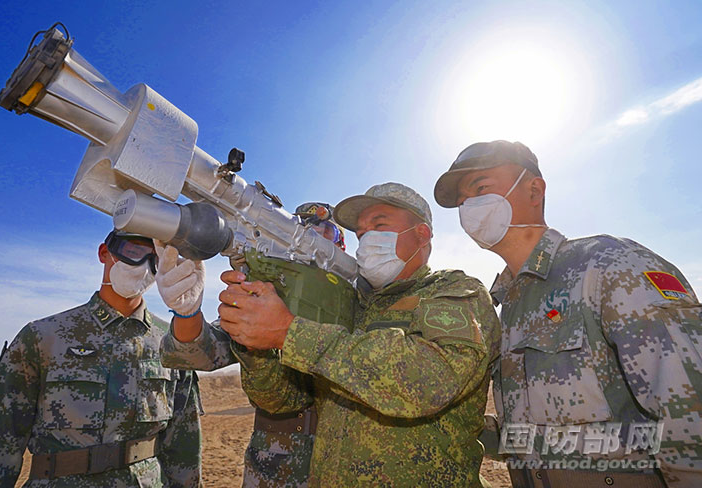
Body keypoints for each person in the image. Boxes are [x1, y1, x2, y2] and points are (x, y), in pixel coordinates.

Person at [434, 140, 702, 487]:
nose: (469, 206)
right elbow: (537, 436)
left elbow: (690, 417)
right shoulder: (505, 303)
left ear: (534, 190)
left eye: (481, 188)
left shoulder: (608, 265)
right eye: (461, 201)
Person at [216, 183, 501, 486]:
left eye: (379, 225)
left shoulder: (455, 290)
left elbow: (430, 380)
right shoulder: (350, 306)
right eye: (361, 234)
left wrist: (289, 332)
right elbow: (282, 400)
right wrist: (255, 341)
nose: (367, 241)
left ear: (422, 234)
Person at [0, 230, 202, 487]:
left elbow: (184, 444)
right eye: (134, 252)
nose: (144, 267)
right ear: (105, 253)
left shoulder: (171, 343)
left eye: (155, 260)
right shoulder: (43, 337)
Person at [157, 202, 347, 487]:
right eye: (306, 232)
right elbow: (201, 354)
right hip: (274, 469)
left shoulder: (361, 301)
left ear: (341, 246)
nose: (315, 241)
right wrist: (187, 312)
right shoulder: (267, 298)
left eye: (326, 233)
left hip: (344, 465)